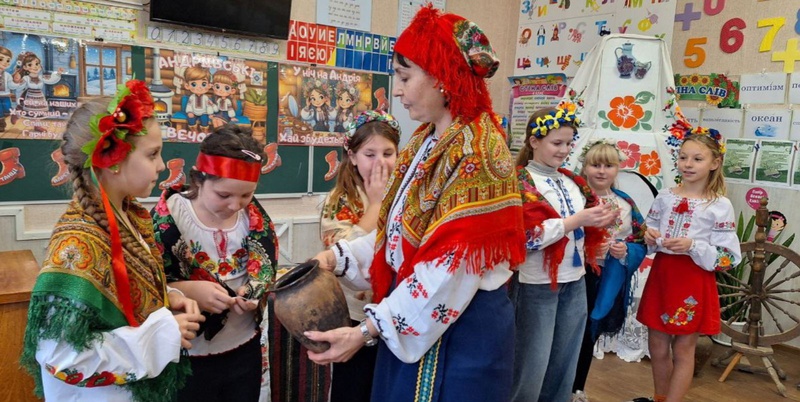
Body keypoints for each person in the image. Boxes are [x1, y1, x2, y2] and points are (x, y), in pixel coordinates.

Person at [308, 5, 526, 401]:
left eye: (405, 77)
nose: (397, 90)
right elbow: (399, 233)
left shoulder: (478, 151)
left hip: (459, 331)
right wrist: (335, 258)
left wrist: (367, 329)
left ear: (442, 77)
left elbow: (451, 269)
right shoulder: (426, 141)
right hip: (415, 311)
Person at [20, 80, 205, 402]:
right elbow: (61, 356)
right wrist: (162, 334)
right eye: (153, 154)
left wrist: (168, 296)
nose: (162, 165)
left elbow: (125, 294)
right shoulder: (78, 242)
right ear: (113, 158)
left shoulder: (130, 216)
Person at [151, 124, 279, 402]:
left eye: (246, 195)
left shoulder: (254, 218)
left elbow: (264, 268)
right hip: (188, 355)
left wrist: (253, 292)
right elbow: (146, 282)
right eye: (224, 195)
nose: (235, 205)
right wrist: (188, 290)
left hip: (243, 347)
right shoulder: (170, 218)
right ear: (199, 179)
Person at [511, 102, 616, 402]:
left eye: (569, 143)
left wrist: (600, 223)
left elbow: (584, 228)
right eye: (557, 143)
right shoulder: (519, 181)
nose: (564, 150)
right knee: (531, 363)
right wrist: (576, 221)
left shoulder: (573, 181)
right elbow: (525, 237)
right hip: (535, 283)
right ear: (534, 142)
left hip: (574, 279)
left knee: (564, 362)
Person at [634, 124, 742, 402]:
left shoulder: (720, 205)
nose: (688, 164)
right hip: (662, 276)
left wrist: (693, 246)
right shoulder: (665, 196)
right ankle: (660, 397)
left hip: (693, 280)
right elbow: (647, 233)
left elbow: (728, 257)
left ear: (714, 163)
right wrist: (649, 235)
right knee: (657, 346)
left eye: (697, 158)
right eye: (683, 157)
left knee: (683, 349)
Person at [320, 110, 400, 402]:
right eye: (370, 154)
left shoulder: (406, 193)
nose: (381, 163)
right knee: (353, 389)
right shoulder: (340, 200)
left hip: (395, 312)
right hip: (354, 316)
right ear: (352, 156)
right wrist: (376, 205)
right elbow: (341, 253)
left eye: (388, 153)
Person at [570, 140, 648, 402]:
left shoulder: (625, 203)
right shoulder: (575, 198)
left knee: (589, 333)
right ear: (585, 167)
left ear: (617, 169)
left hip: (605, 278)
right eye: (595, 165)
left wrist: (625, 251)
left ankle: (577, 388)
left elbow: (640, 240)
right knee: (569, 332)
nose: (602, 171)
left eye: (608, 165)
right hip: (576, 275)